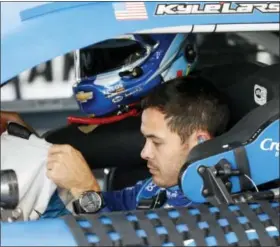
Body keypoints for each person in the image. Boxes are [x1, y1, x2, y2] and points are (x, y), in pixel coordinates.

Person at [43, 76, 230, 217]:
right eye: (145, 140)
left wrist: (86, 191)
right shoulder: (157, 189)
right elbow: (113, 207)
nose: (144, 153)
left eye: (156, 142)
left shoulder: (215, 211)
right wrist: (36, 151)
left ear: (200, 142)